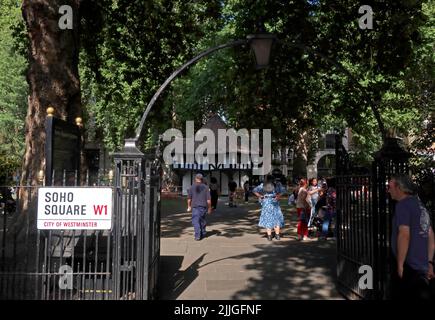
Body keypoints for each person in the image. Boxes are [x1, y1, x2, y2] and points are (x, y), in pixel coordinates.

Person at [388, 174, 434, 300]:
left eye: (390, 186)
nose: (388, 190)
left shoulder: (402, 205)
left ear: (399, 188)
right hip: (422, 266)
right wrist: (430, 262)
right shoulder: (420, 206)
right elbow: (430, 234)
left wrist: (400, 264)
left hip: (409, 266)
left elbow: (404, 235)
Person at [253, 175, 285, 241]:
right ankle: (277, 235)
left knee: (268, 219)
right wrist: (278, 196)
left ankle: (269, 236)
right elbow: (283, 191)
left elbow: (254, 190)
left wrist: (260, 196)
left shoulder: (263, 185)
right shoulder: (277, 184)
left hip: (266, 202)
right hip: (274, 202)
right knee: (277, 218)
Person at [187, 173, 212, 241]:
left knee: (195, 221)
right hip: (203, 206)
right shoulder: (206, 187)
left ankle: (198, 235)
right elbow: (208, 200)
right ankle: (203, 232)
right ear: (201, 179)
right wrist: (209, 208)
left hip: (195, 206)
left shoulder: (192, 187)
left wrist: (189, 206)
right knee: (202, 220)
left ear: (195, 179)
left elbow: (189, 198)